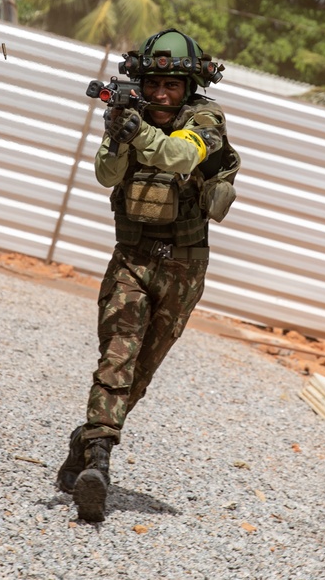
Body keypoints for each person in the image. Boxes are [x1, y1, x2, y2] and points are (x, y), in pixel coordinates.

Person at [57, 28, 241, 522]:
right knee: (118, 354)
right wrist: (118, 132)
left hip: (183, 266)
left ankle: (86, 440)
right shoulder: (129, 117)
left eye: (172, 86)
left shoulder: (205, 120)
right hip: (132, 259)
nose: (162, 94)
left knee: (139, 375)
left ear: (189, 88)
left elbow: (179, 155)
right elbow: (106, 176)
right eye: (154, 84)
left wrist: (136, 129)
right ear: (141, 80)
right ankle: (99, 461)